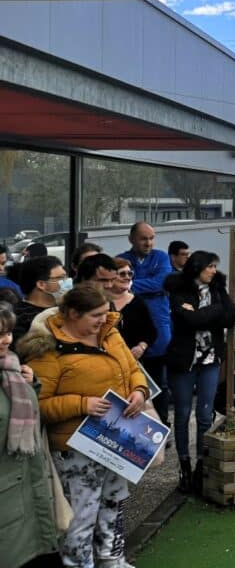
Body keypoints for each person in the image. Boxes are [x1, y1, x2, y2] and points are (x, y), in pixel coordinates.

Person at [18, 285, 148, 568]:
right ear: (73, 314)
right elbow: (36, 404)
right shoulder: (46, 348)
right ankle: (79, 564)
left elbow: (134, 369)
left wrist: (139, 390)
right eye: (96, 315)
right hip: (74, 447)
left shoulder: (110, 334)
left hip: (116, 439)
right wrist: (81, 404)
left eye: (106, 312)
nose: (104, 319)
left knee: (114, 501)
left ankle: (112, 559)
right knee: (81, 513)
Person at [165, 250, 235, 493]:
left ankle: (202, 465)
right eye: (210, 266)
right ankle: (184, 464)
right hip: (183, 359)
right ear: (198, 267)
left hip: (210, 359)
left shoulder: (218, 288)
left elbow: (230, 317)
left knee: (206, 414)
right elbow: (187, 322)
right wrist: (207, 314)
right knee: (183, 414)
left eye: (215, 266)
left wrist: (199, 313)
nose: (214, 271)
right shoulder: (178, 288)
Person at [0, 301, 61, 568]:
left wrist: (30, 388)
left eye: (8, 332)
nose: (6, 340)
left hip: (27, 489)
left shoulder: (11, 369)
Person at [118, 222, 173, 425]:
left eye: (151, 238)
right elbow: (117, 283)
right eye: (143, 238)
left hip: (157, 329)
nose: (148, 242)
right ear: (132, 238)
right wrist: (147, 285)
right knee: (129, 383)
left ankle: (162, 424)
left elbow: (161, 283)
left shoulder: (161, 257)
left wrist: (130, 284)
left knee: (159, 383)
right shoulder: (123, 259)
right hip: (131, 332)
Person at [110, 256, 158, 361]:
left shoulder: (138, 302)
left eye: (130, 274)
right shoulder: (99, 302)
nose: (127, 277)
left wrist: (141, 347)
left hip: (131, 360)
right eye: (122, 274)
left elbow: (150, 332)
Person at [10, 257, 68, 344]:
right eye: (61, 278)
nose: (67, 281)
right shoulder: (18, 316)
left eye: (66, 277)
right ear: (41, 284)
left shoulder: (67, 308)